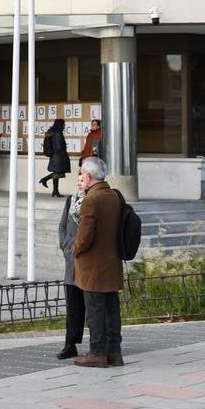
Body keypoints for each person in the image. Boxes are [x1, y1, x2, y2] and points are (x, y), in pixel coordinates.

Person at [72, 157, 125, 368]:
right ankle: (114, 351)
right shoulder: (114, 195)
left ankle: (97, 352)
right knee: (111, 309)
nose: (81, 177)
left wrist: (75, 249)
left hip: (94, 265)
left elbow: (85, 235)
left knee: (94, 309)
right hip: (112, 262)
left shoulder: (92, 199)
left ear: (88, 176)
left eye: (82, 174)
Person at [57, 185, 87, 359]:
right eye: (79, 178)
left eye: (83, 178)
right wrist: (65, 246)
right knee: (72, 304)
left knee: (91, 305)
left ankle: (99, 344)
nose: (80, 182)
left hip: (87, 258)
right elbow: (62, 226)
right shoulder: (71, 200)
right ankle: (70, 344)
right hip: (71, 259)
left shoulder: (94, 201)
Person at [40, 118, 71, 197]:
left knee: (57, 173)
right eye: (63, 124)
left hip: (54, 156)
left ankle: (55, 191)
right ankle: (46, 180)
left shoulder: (52, 132)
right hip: (58, 156)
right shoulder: (58, 133)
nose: (64, 126)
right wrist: (64, 155)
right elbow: (58, 147)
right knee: (58, 172)